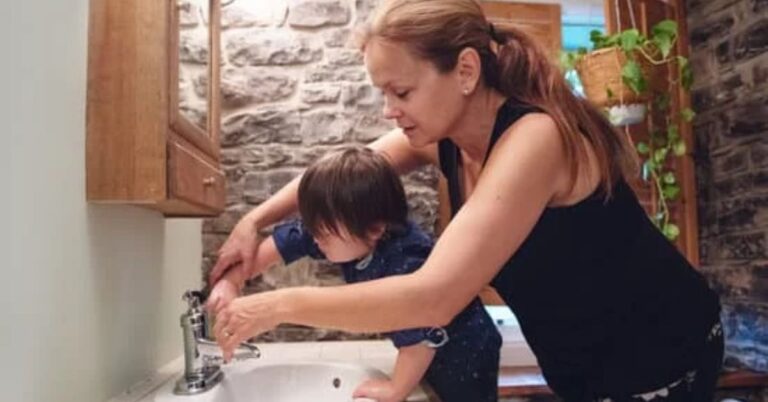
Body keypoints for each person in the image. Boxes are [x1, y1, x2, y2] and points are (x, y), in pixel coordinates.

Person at [208, 0, 723, 401]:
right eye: (383, 94)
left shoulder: (534, 139)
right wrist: (254, 223)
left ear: (466, 71)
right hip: (583, 365)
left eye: (401, 92)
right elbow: (342, 177)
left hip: (662, 354)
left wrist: (276, 306)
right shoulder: (446, 138)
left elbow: (434, 296)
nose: (390, 111)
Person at [206, 146, 502, 402]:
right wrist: (231, 281)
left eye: (322, 233)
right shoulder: (341, 226)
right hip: (425, 339)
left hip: (466, 348)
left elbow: (421, 332)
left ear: (375, 229)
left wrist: (397, 388)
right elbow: (278, 247)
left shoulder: (406, 260)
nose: (315, 239)